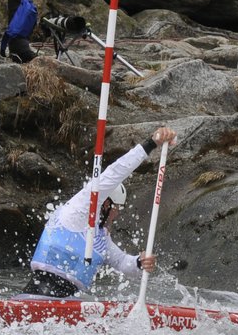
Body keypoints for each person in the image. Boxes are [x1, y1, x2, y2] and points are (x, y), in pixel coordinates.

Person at [27, 126, 177, 297]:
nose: (117, 214)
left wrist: (140, 263)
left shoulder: (100, 239)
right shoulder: (77, 212)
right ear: (105, 204)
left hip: (70, 302)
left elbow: (121, 262)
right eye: (116, 208)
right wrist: (151, 143)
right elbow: (113, 174)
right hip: (38, 294)